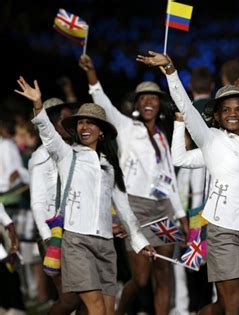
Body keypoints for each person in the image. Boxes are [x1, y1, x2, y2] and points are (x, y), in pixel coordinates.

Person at [137, 51, 239, 315]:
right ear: (216, 115)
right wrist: (171, 70)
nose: (233, 114)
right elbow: (184, 106)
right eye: (226, 109)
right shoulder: (210, 139)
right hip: (225, 233)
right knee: (234, 308)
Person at [15, 76, 154, 315]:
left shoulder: (110, 165)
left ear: (101, 131)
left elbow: (124, 208)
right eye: (81, 123)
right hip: (76, 243)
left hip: (106, 245)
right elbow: (48, 135)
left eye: (91, 123)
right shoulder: (67, 155)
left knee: (107, 311)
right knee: (96, 308)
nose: (85, 127)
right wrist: (38, 105)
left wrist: (139, 242)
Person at [78, 54, 187, 315]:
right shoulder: (127, 127)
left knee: (164, 270)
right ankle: (119, 311)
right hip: (135, 207)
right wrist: (91, 72)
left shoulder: (163, 136)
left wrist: (181, 213)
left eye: (154, 97)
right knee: (140, 278)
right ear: (136, 103)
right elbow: (101, 100)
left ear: (160, 104)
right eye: (143, 97)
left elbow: (169, 178)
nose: (149, 101)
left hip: (163, 208)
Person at [28, 97, 87, 315]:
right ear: (51, 124)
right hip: (54, 234)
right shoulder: (40, 157)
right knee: (69, 299)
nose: (72, 124)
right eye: (65, 119)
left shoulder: (79, 152)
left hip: (79, 233)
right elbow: (38, 202)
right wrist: (48, 238)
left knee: (86, 300)